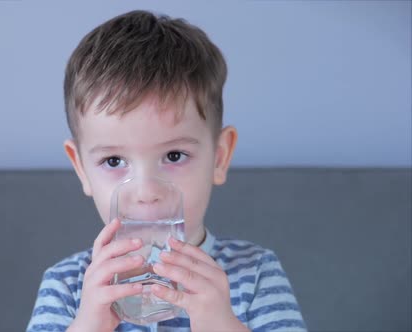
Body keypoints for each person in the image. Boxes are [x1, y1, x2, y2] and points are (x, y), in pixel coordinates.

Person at [27, 10, 306, 332]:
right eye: (114, 161)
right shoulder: (66, 285)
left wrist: (221, 324)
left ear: (219, 157)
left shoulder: (256, 272)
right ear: (82, 170)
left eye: (174, 155)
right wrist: (90, 323)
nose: (146, 192)